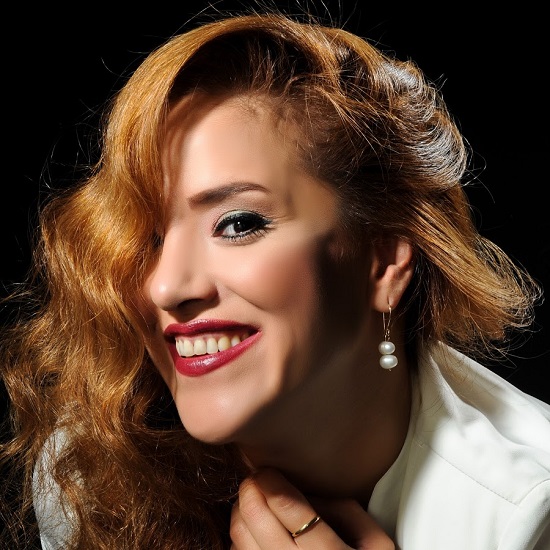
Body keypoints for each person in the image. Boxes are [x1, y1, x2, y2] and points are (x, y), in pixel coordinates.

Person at [1, 9, 549, 550]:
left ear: (383, 264)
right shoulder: (86, 474)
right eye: (149, 238)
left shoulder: (526, 516)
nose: (166, 288)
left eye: (238, 224)